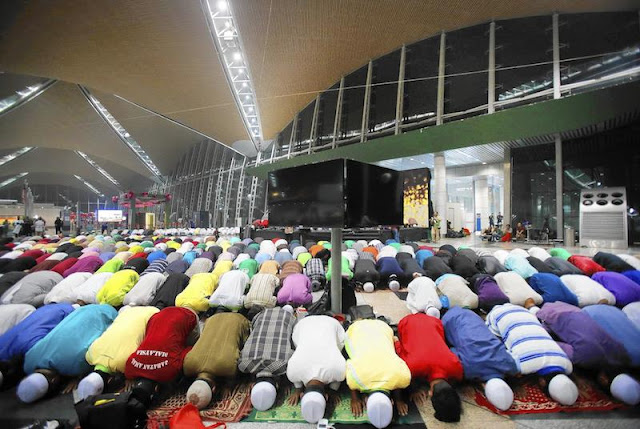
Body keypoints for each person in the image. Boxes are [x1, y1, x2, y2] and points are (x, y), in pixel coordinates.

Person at [536, 301, 640, 405]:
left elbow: (552, 346)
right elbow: (551, 345)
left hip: (578, 311)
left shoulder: (618, 353)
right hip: (557, 312)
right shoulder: (590, 356)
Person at [17, 304, 117, 403]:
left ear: (53, 381)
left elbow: (93, 358)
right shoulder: (29, 360)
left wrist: (78, 376)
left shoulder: (74, 365)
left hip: (107, 314)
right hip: (83, 311)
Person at [486, 304, 578, 406]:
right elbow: (501, 364)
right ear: (543, 382)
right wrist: (514, 383)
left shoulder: (566, 363)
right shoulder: (522, 364)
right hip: (496, 315)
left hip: (525, 312)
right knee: (496, 345)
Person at [442, 307, 519, 411]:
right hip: (449, 320)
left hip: (473, 315)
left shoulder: (509, 365)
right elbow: (451, 352)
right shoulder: (468, 369)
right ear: (484, 388)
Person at [77, 306, 159, 400]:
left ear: (109, 380)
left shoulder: (126, 364)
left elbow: (136, 367)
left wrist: (130, 377)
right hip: (128, 311)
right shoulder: (90, 355)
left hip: (153, 314)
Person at [395, 313, 462, 422]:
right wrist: (413, 389)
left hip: (434, 321)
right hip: (406, 322)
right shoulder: (412, 368)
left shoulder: (456, 367)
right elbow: (399, 350)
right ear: (430, 393)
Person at [346, 317, 411, 428]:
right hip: (358, 328)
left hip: (383, 328)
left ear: (391, 402)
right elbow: (349, 367)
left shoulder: (403, 378)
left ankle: (363, 320)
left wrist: (399, 400)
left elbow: (397, 378)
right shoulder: (354, 380)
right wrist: (355, 399)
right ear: (366, 401)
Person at [286, 315, 346, 424]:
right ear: (326, 397)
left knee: (340, 345)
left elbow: (338, 379)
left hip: (327, 323)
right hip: (307, 323)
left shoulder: (339, 370)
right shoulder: (292, 371)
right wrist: (298, 389)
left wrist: (298, 388)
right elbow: (338, 379)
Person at [183, 312, 250, 409]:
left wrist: (228, 386)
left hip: (240, 320)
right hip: (212, 318)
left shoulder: (228, 369)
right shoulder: (187, 366)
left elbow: (233, 378)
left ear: (214, 389)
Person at [238, 307, 295, 411]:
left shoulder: (283, 365)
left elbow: (292, 352)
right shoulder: (244, 364)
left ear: (277, 385)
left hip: (281, 316)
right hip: (262, 315)